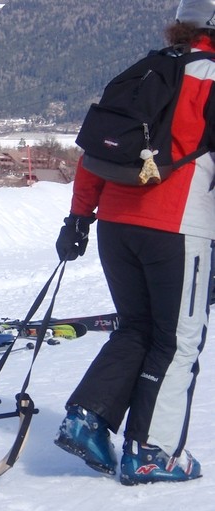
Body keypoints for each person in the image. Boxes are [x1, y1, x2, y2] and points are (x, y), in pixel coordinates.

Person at [54, 0, 214, 485]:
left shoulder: (144, 68)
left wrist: (79, 218)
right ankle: (153, 452)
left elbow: (92, 151)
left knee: (137, 327)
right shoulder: (209, 79)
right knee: (179, 340)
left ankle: (89, 418)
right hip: (178, 225)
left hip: (116, 225)